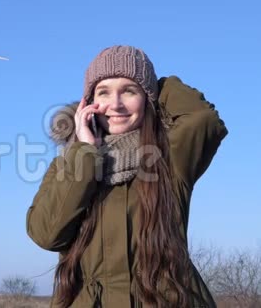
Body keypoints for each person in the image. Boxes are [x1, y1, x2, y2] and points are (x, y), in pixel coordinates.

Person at [26, 45, 228, 307]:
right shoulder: (66, 164)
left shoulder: (170, 158)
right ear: (87, 104)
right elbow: (47, 234)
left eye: (130, 91)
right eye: (104, 92)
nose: (116, 104)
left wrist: (157, 83)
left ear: (147, 98)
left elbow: (204, 119)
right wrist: (86, 154)